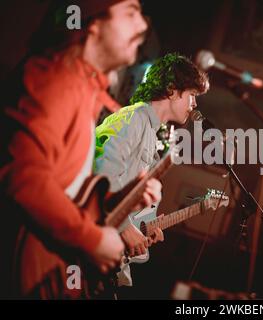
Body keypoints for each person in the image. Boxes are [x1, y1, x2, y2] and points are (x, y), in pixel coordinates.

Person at [0, 0, 162, 299]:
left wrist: (123, 199)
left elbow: (67, 190)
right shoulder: (57, 79)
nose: (142, 26)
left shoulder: (85, 90)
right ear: (92, 23)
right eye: (131, 12)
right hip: (28, 269)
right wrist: (94, 240)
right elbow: (24, 179)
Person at [95, 52, 209, 287]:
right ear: (171, 89)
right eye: (192, 95)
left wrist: (144, 228)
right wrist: (126, 229)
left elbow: (126, 195)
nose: (195, 104)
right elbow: (100, 174)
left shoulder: (154, 134)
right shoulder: (134, 118)